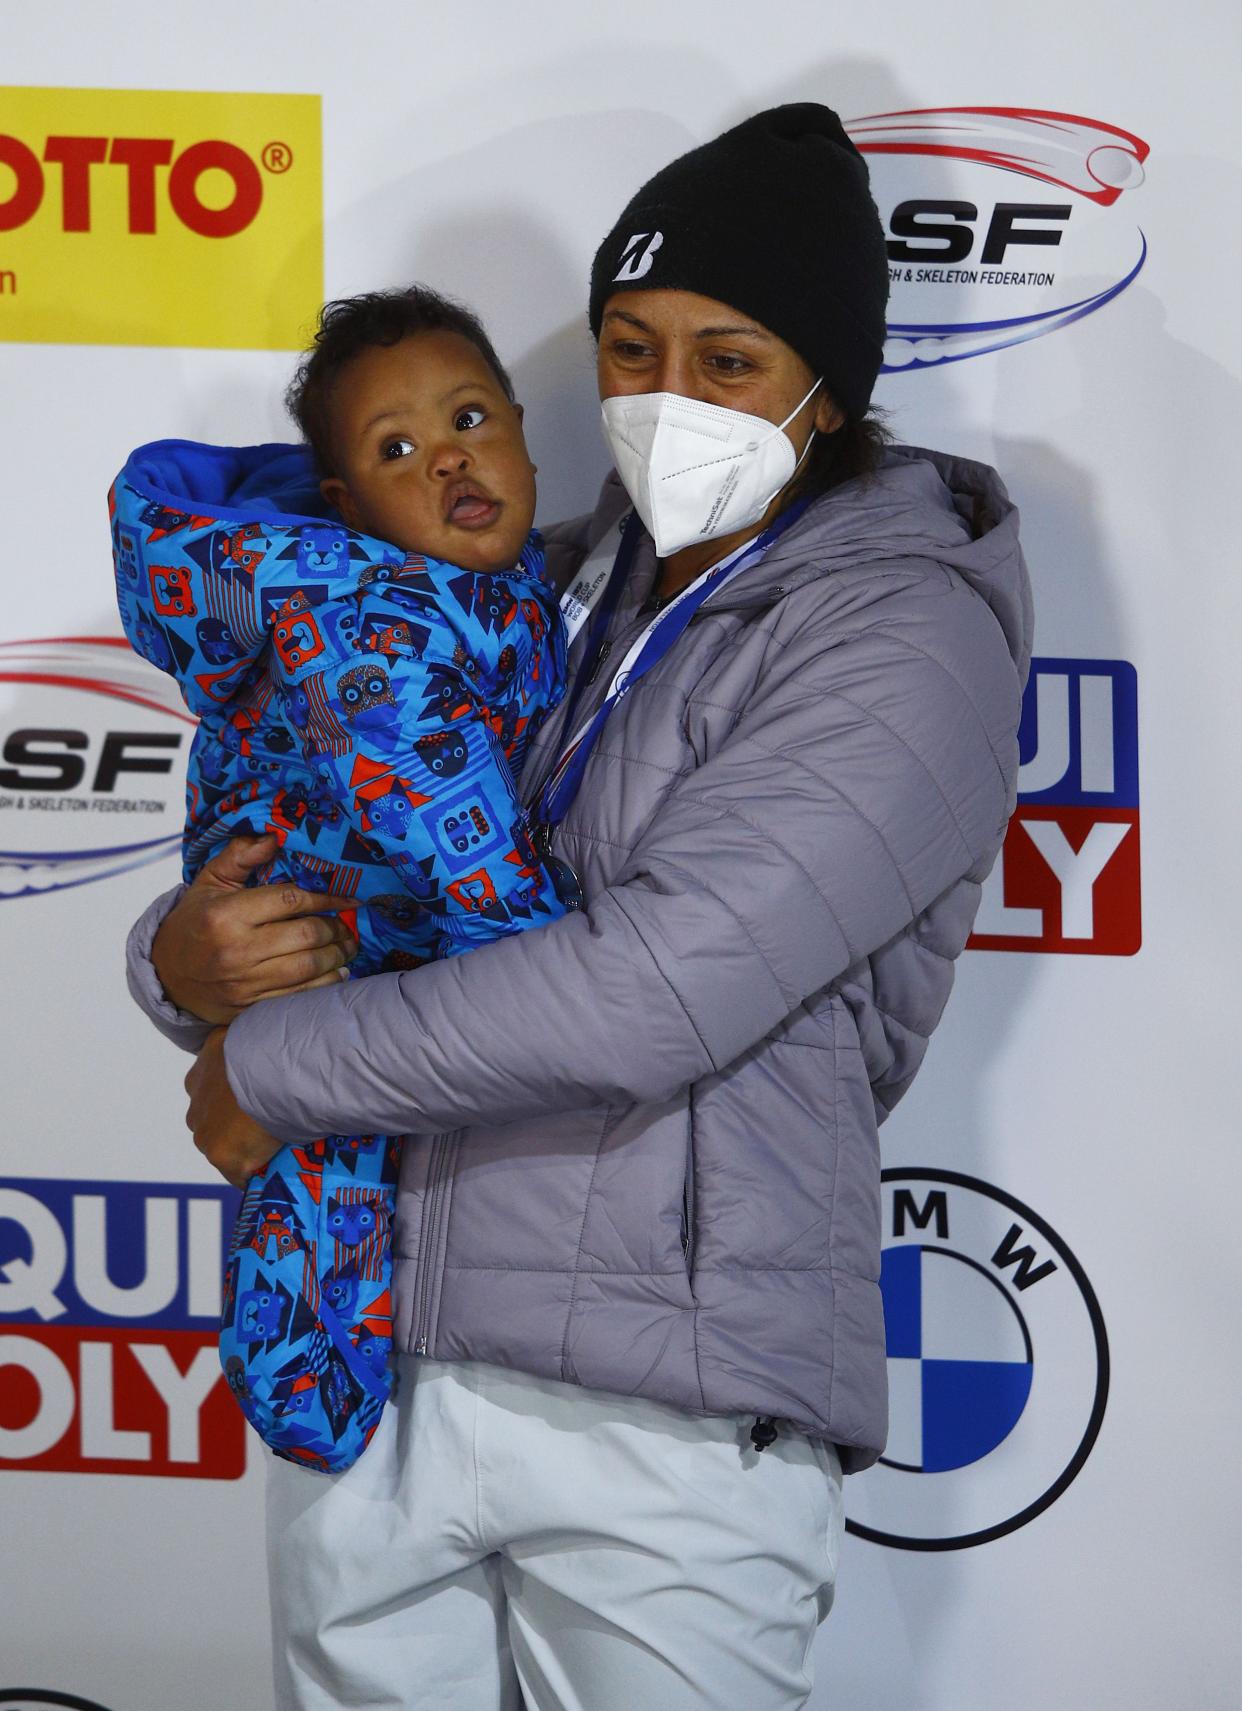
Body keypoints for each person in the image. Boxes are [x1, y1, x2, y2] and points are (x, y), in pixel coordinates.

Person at [126, 104, 1033, 1711]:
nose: (666, 397)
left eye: (728, 360)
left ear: (829, 384)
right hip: (380, 1357)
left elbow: (649, 992)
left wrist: (269, 1064)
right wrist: (182, 958)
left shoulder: (907, 635)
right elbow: (326, 820)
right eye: (628, 346)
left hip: (664, 1417)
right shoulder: (534, 587)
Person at [112, 287, 567, 1471]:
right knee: (318, 1180)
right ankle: (306, 1396)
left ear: (524, 429)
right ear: (345, 504)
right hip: (329, 954)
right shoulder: (370, 614)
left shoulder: (516, 587)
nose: (449, 458)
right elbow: (447, 820)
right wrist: (548, 963)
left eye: (471, 417)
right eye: (397, 449)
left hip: (391, 990)